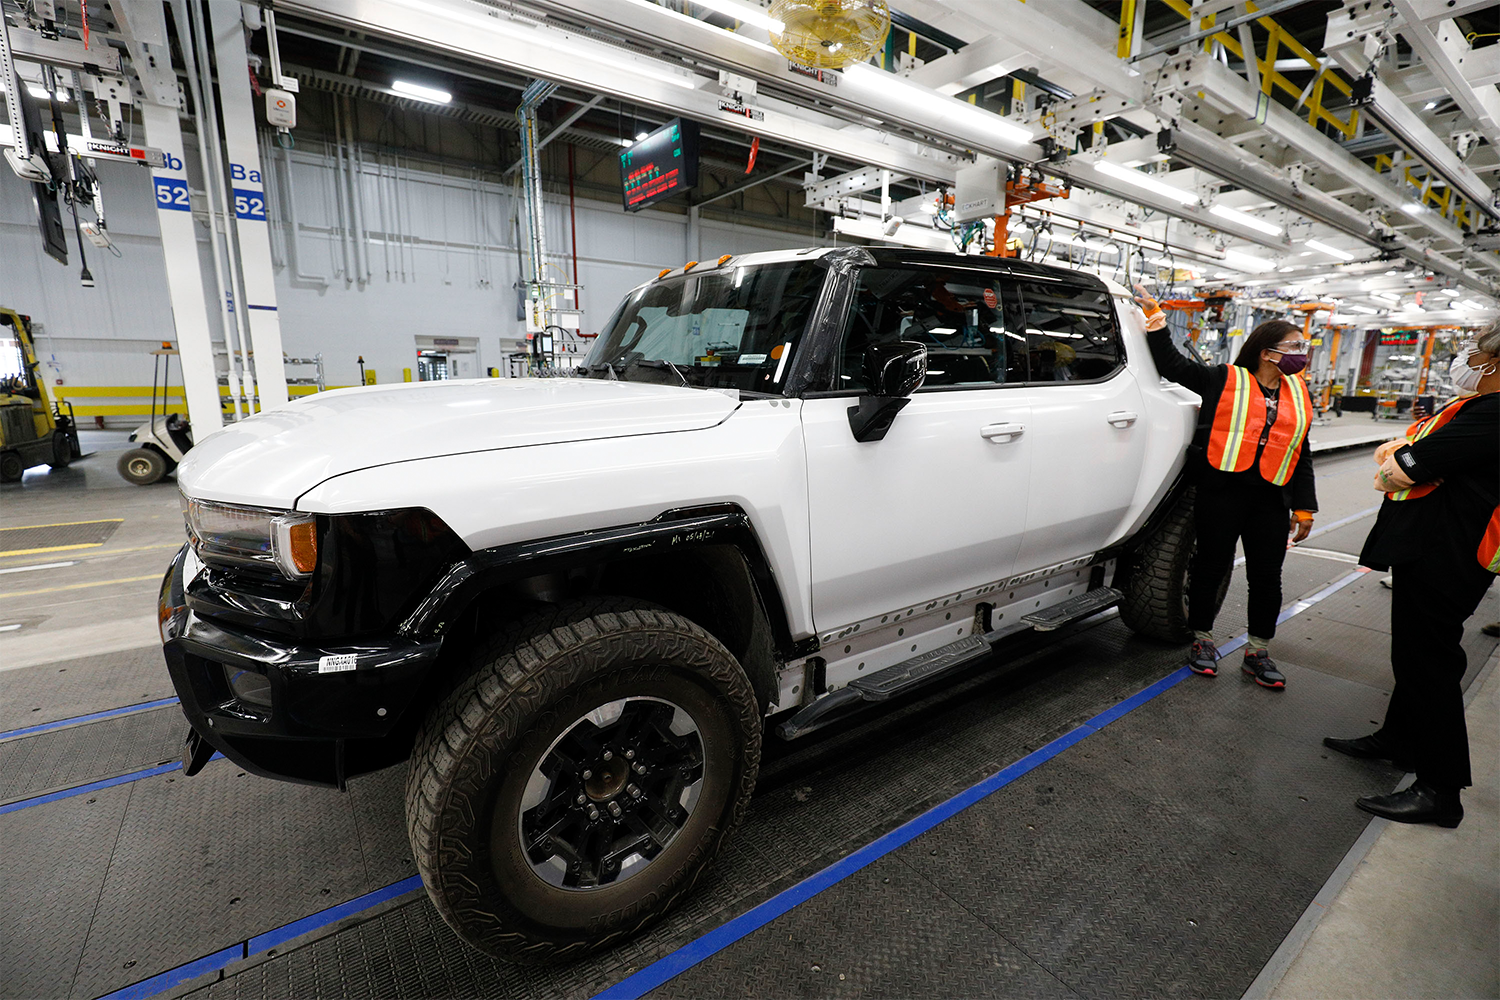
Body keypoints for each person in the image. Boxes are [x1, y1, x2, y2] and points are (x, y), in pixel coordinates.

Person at [1324, 323, 1500, 827]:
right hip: (1435, 546)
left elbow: (1403, 464)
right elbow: (1411, 453)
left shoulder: (1495, 413)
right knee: (1416, 653)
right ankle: (1398, 739)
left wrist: (1398, 458)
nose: (1467, 355)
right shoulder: (1476, 410)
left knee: (1430, 662)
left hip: (1449, 552)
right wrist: (1403, 455)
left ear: (1492, 360)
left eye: (1477, 347)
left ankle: (1441, 790)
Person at [1135, 286, 1317, 688]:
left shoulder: (1298, 393)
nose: (1301, 353)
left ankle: (1258, 651)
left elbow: (1300, 451)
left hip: (1272, 499)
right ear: (1267, 351)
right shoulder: (1224, 379)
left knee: (1268, 577)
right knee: (1210, 568)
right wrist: (1156, 319)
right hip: (1222, 492)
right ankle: (1202, 640)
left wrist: (1304, 507)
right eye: (1294, 346)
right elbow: (1173, 366)